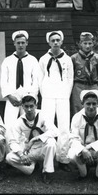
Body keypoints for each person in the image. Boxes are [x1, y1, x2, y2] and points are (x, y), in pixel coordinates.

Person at [38, 30, 74, 171]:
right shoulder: (43, 59)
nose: (55, 42)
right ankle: (47, 157)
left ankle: (63, 158)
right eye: (52, 40)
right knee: (47, 125)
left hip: (63, 96)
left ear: (61, 41)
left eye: (57, 40)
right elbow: (40, 79)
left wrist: (65, 93)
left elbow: (70, 79)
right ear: (49, 42)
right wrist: (45, 92)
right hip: (48, 96)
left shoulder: (67, 59)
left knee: (64, 126)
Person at [6, 95, 59, 184]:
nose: (29, 109)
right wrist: (22, 155)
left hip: (43, 149)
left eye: (31, 106)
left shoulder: (43, 115)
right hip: (29, 151)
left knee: (51, 142)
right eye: (26, 106)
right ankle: (30, 168)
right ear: (22, 106)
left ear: (36, 106)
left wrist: (34, 139)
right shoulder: (19, 122)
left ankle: (47, 171)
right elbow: (13, 141)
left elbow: (55, 131)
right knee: (9, 157)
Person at [68, 90, 98, 182]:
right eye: (88, 104)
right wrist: (83, 150)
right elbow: (73, 138)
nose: (91, 107)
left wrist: (91, 147)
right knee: (71, 154)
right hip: (83, 151)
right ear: (82, 104)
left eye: (94, 104)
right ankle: (83, 173)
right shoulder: (77, 117)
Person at [0, 30, 40, 128]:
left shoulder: (33, 60)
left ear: (27, 43)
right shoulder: (7, 60)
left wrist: (30, 97)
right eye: (18, 43)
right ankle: (10, 142)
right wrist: (9, 96)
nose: (20, 45)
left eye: (23, 42)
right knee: (9, 124)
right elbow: (3, 81)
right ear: (14, 43)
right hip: (12, 97)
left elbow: (36, 81)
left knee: (27, 124)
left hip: (27, 97)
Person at [70, 32, 98, 119]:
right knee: (78, 110)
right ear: (80, 44)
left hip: (93, 86)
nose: (87, 46)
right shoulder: (74, 58)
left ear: (93, 44)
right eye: (85, 43)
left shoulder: (97, 58)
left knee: (93, 109)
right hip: (79, 86)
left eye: (90, 43)